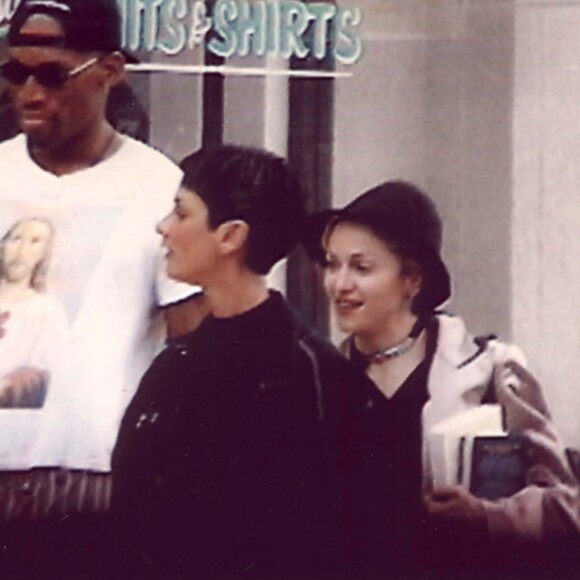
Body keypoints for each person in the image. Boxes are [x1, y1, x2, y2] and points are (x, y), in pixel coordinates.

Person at [306, 181, 580, 577]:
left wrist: (486, 517)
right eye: (332, 263)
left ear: (412, 279)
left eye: (362, 267)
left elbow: (566, 506)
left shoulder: (493, 373)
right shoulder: (321, 379)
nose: (339, 283)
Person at [109, 145, 357, 579]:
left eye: (181, 213)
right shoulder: (174, 364)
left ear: (230, 236)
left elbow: (317, 536)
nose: (163, 228)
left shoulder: (306, 371)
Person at [0, 0, 203, 523]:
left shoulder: (161, 189)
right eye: (14, 72)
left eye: (52, 75)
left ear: (110, 71)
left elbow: (194, 350)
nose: (29, 94)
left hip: (104, 482)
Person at [0, 217, 68, 409]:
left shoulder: (47, 309)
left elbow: (49, 370)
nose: (21, 250)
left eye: (34, 241)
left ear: (44, 254)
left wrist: (8, 387)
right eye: (16, 239)